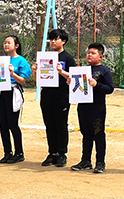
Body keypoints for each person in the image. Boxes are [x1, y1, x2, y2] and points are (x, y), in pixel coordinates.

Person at [31, 29, 76, 167]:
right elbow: (38, 81)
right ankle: (52, 153)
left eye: (56, 39)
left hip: (62, 96)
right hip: (47, 96)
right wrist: (35, 71)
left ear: (63, 41)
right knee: (49, 125)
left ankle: (62, 154)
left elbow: (74, 77)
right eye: (51, 39)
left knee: (61, 125)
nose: (52, 42)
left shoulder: (67, 58)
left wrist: (61, 72)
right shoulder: (45, 58)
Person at [71, 42, 114, 174]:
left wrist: (97, 85)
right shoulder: (82, 70)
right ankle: (85, 160)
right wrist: (71, 82)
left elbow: (110, 89)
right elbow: (77, 87)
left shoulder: (104, 71)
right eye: (88, 53)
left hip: (97, 107)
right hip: (83, 107)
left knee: (98, 135)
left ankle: (100, 162)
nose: (89, 55)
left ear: (100, 56)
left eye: (93, 53)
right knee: (86, 134)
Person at [0, 35, 31, 164]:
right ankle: (7, 152)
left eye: (9, 43)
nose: (6, 45)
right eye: (5, 43)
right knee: (2, 124)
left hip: (13, 92)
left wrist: (12, 74)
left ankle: (19, 152)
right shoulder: (0, 60)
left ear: (16, 46)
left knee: (13, 124)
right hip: (1, 92)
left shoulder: (21, 61)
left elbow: (22, 80)